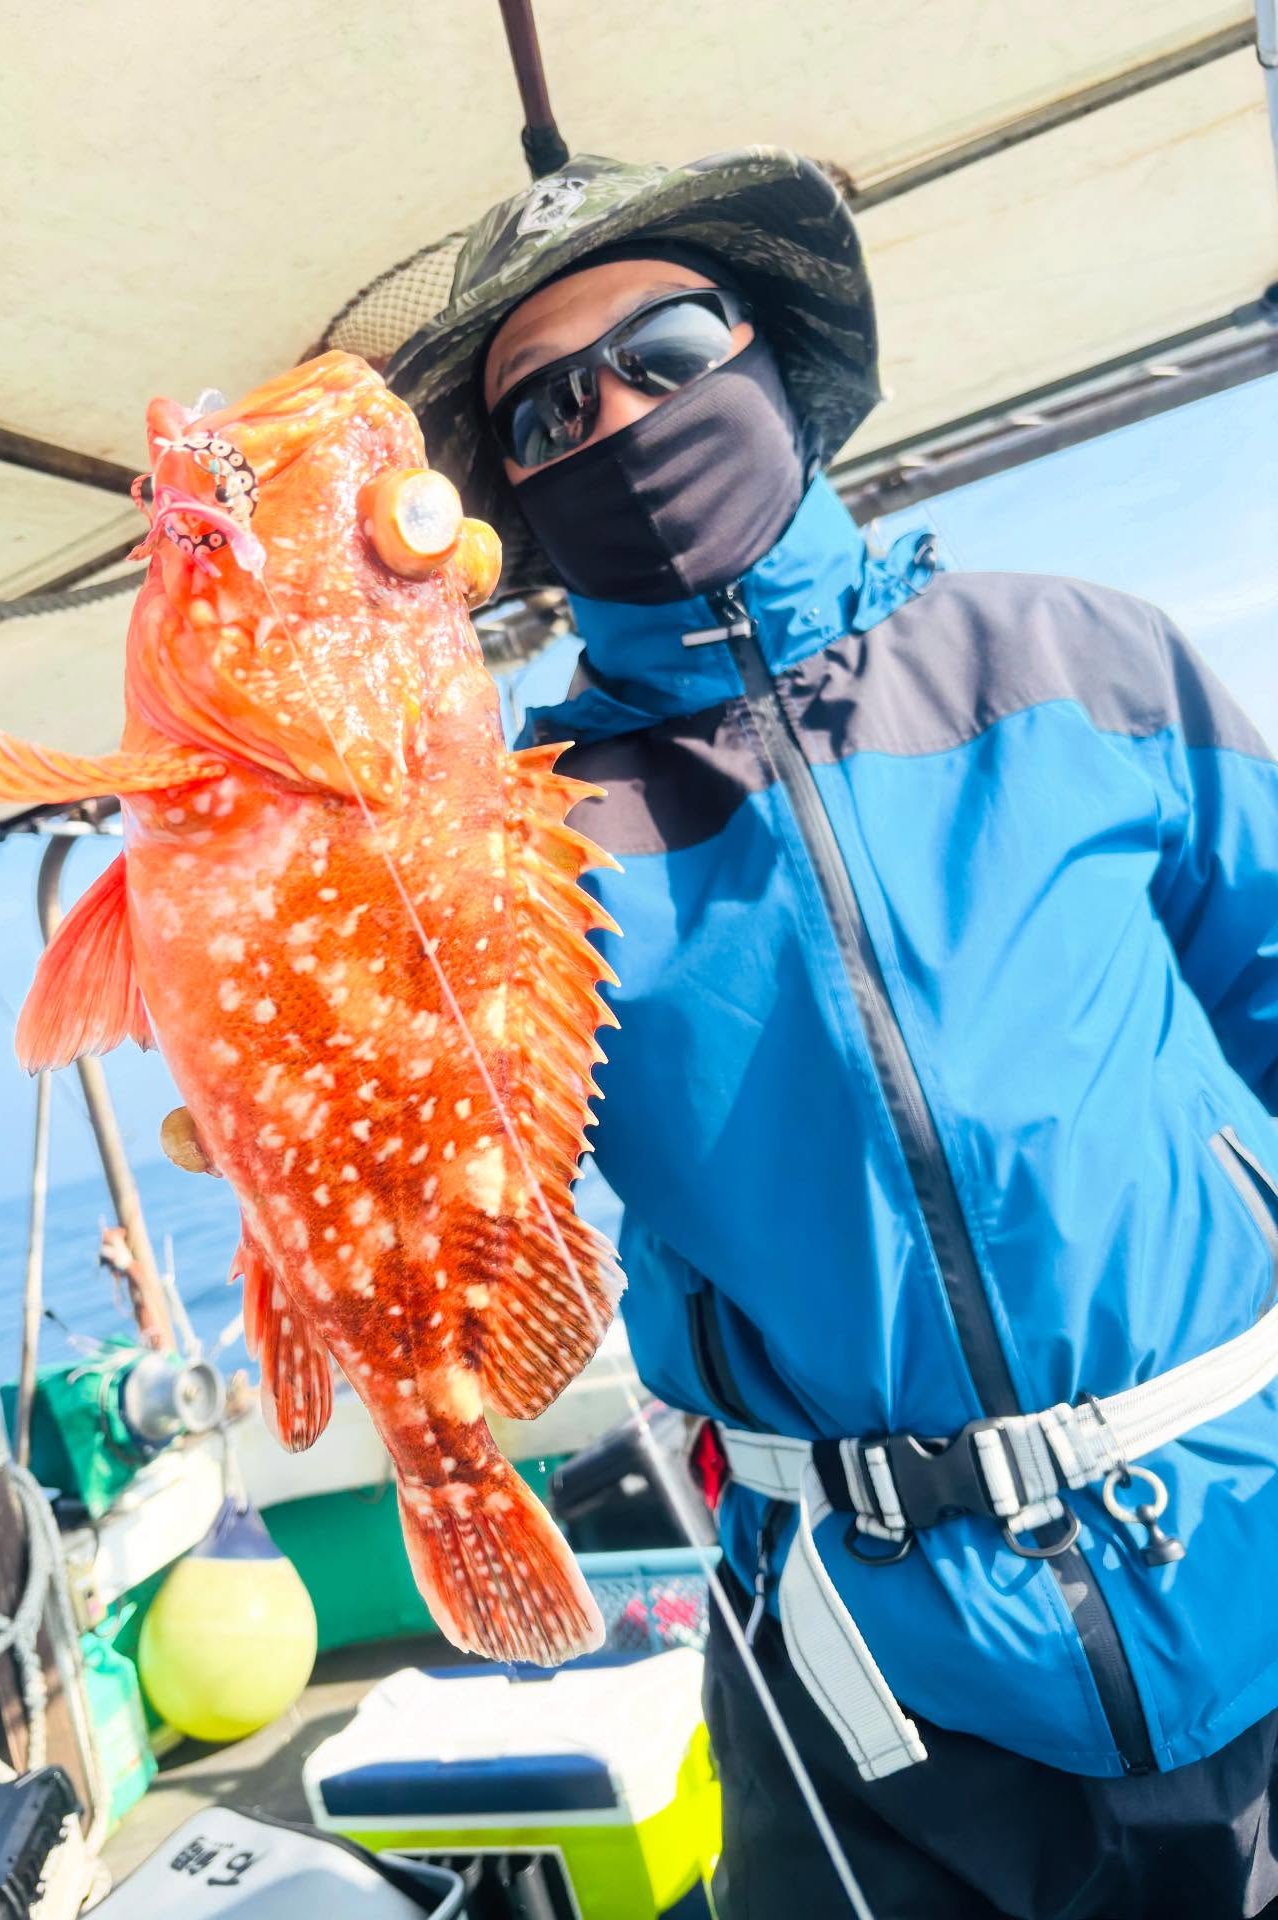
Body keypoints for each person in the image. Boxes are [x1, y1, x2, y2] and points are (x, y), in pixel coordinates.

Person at [386, 150, 1278, 1919]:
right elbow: (457, 1190)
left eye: (663, 347)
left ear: (773, 354)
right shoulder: (505, 845)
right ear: (515, 502)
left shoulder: (1085, 657)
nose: (615, 413)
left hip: (1246, 1533)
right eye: (547, 410)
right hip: (876, 1682)